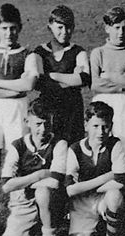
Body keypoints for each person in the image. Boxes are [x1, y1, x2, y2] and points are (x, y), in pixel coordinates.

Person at [0, 3, 38, 236]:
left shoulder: (27, 54)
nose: (8, 33)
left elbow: (29, 84)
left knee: (18, 161)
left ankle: (19, 212)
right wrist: (15, 88)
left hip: (17, 110)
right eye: (4, 28)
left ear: (20, 28)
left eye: (13, 28)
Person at [0, 98, 67, 236]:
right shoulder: (18, 146)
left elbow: (54, 181)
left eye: (46, 123)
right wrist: (39, 174)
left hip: (52, 203)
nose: (42, 129)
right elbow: (6, 186)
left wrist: (22, 183)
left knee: (43, 192)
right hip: (23, 205)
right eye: (38, 124)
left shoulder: (59, 144)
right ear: (27, 121)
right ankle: (29, 230)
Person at [65, 101, 125, 236]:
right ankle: (96, 232)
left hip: (102, 199)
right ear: (86, 125)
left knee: (115, 195)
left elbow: (121, 180)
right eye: (95, 126)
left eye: (105, 126)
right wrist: (107, 176)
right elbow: (70, 189)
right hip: (81, 205)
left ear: (111, 126)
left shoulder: (115, 144)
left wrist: (85, 186)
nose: (100, 132)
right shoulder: (75, 149)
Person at [90, 6, 125, 169]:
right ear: (107, 28)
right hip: (103, 101)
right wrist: (122, 81)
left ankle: (124, 191)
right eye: (116, 28)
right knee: (101, 146)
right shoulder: (98, 53)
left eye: (124, 28)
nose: (120, 33)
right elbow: (95, 83)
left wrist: (108, 76)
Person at [34, 5, 90, 145]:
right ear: (50, 27)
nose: (64, 32)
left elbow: (83, 79)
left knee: (73, 149)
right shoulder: (40, 51)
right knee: (49, 149)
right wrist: (70, 78)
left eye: (68, 27)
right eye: (60, 27)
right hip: (48, 107)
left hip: (72, 109)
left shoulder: (78, 51)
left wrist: (52, 75)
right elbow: (39, 82)